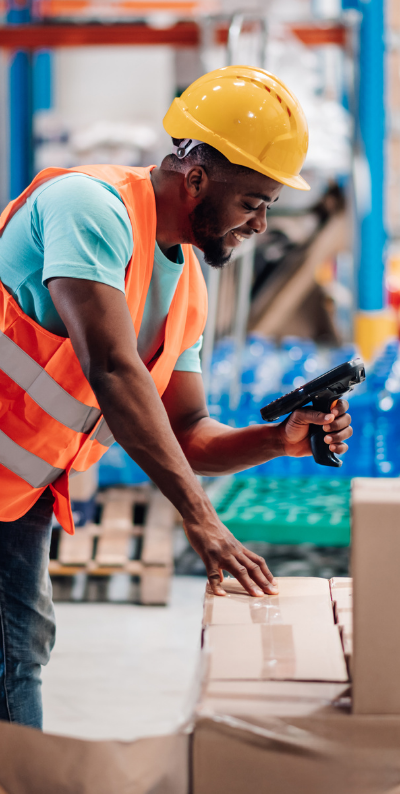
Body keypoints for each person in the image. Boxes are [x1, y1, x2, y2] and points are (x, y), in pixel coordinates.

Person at [0, 66, 353, 729]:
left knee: (18, 650)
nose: (258, 225)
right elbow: (110, 365)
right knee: (12, 656)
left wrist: (280, 440)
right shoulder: (89, 205)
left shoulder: (186, 283)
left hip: (16, 490)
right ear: (194, 177)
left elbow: (189, 432)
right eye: (253, 202)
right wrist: (199, 517)